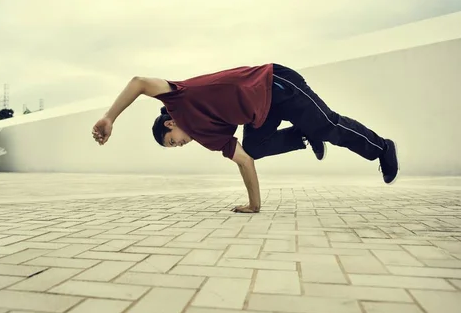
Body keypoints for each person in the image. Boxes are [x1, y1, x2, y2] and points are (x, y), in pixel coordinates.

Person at [92, 63, 399, 213]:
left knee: (327, 125)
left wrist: (110, 117)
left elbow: (139, 82)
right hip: (262, 115)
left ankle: (382, 148)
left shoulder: (177, 99)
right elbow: (245, 161)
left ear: (170, 122)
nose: (179, 145)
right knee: (254, 146)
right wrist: (254, 205)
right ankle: (303, 134)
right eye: (174, 148)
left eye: (172, 140)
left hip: (274, 83)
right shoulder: (208, 138)